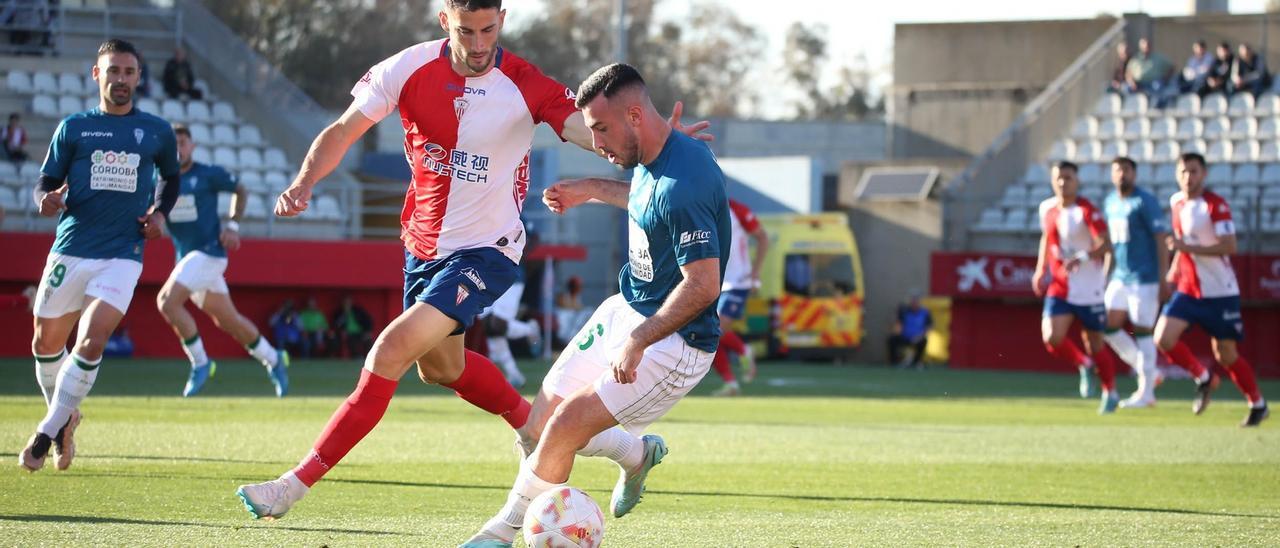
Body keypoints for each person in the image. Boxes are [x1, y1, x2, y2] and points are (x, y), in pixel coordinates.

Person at [233, 0, 712, 519]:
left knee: (389, 349)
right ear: (445, 21)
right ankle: (630, 450)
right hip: (421, 250)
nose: (480, 44)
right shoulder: (407, 68)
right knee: (441, 369)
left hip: (488, 252)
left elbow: (589, 130)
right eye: (467, 31)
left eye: (489, 29)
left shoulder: (524, 83)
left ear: (502, 19)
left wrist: (659, 143)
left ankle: (290, 486)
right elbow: (344, 130)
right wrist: (304, 182)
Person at [461, 62, 729, 548]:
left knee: (564, 427)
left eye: (601, 129)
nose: (597, 142)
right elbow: (646, 199)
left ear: (633, 116)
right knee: (539, 424)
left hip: (675, 342)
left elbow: (704, 286)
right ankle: (636, 455)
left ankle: (499, 535)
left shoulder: (683, 181)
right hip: (625, 309)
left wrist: (640, 340)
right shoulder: (656, 156)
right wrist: (589, 189)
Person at [19, 39, 182, 472]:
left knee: (92, 339)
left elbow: (171, 177)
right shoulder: (74, 128)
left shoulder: (157, 131)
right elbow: (45, 180)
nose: (121, 80)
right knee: (45, 343)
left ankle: (44, 432)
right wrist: (46, 199)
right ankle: (66, 418)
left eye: (129, 72)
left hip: (123, 253)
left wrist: (160, 214)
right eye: (113, 71)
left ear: (138, 77)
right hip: (71, 247)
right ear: (98, 75)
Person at [155, 123, 289, 398]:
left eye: (183, 142)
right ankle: (274, 359)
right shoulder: (160, 182)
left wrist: (233, 226)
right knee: (230, 322)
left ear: (192, 147)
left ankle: (201, 363)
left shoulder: (207, 174)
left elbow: (240, 189)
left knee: (167, 302)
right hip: (189, 260)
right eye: (174, 143)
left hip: (209, 254)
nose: (178, 148)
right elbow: (152, 213)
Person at [1155, 153, 1268, 427]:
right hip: (1189, 290)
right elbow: (1182, 243)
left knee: (1226, 354)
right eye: (1183, 172)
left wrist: (1187, 249)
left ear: (1204, 174)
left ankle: (1258, 403)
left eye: (1193, 171)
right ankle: (1204, 378)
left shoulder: (1215, 205)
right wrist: (1172, 272)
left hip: (1220, 293)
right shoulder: (1176, 202)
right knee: (1163, 338)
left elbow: (1229, 246)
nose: (1188, 177)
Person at [1032, 161, 1120, 414]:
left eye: (1068, 178)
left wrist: (1081, 257)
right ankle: (1083, 363)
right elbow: (1047, 238)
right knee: (1052, 337)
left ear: (1077, 181)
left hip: (1088, 288)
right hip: (1060, 285)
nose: (1062, 183)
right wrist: (1041, 269)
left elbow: (1106, 244)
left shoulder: (1086, 210)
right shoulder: (1047, 208)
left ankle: (1110, 391)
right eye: (1058, 178)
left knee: (1095, 342)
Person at [1099, 156, 1171, 408]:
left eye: (1126, 170)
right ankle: (1150, 372)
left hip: (1145, 277)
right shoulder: (1110, 202)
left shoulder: (1144, 201)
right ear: (1111, 175)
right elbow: (1111, 245)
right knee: (1107, 326)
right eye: (1117, 170)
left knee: (1142, 331)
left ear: (1134, 174)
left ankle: (1147, 393)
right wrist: (1106, 276)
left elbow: (1161, 239)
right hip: (1120, 275)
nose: (1122, 175)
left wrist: (1164, 276)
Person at [709, 198, 766, 396]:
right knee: (708, 335)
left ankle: (742, 350)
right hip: (712, 283)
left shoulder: (737, 209)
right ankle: (731, 383)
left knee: (713, 331)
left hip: (737, 282)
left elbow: (762, 237)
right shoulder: (701, 208)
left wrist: (755, 272)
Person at [479, 271, 541, 388]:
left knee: (498, 325)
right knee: (488, 327)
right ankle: (514, 374)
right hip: (483, 275)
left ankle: (530, 329)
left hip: (508, 273)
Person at [888, 291, 932, 370]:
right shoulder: (905, 311)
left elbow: (928, 326)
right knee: (892, 339)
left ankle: (916, 361)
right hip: (905, 336)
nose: (914, 303)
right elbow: (898, 323)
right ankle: (894, 362)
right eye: (913, 301)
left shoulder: (925, 312)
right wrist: (898, 331)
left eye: (916, 301)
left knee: (924, 341)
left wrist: (920, 336)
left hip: (918, 338)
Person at [554, 275, 592, 345]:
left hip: (572, 321)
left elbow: (578, 308)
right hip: (564, 321)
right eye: (578, 286)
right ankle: (567, 339)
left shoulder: (577, 297)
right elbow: (564, 306)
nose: (580, 288)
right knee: (567, 315)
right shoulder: (564, 296)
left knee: (588, 312)